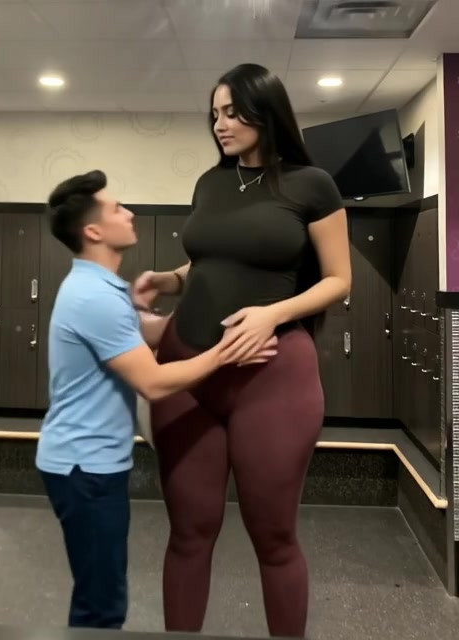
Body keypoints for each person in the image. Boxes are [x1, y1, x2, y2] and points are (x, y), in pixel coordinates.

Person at [132, 64, 352, 638]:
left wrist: (272, 314)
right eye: (214, 114)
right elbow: (209, 260)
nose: (220, 124)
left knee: (274, 538)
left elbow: (338, 279)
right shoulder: (210, 183)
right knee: (188, 532)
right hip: (187, 370)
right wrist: (169, 279)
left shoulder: (312, 185)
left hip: (270, 376)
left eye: (232, 112)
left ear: (266, 111)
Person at [35, 169, 277, 630]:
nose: (129, 213)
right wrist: (228, 353)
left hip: (87, 462)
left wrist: (215, 309)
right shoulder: (93, 296)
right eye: (116, 208)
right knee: (101, 604)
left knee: (101, 590)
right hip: (83, 467)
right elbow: (154, 382)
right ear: (93, 231)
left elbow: (149, 332)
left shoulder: (102, 287)